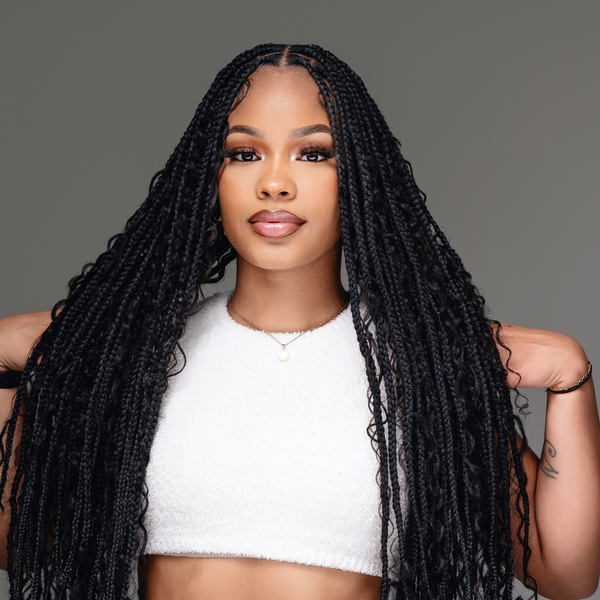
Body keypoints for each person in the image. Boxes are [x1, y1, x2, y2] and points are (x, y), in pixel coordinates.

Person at [0, 43, 598, 600]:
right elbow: (19, 546)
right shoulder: (132, 360)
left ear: (360, 179)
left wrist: (571, 380)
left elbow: (563, 571)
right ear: (211, 179)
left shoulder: (425, 369)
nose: (275, 183)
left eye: (314, 153)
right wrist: (5, 374)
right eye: (244, 153)